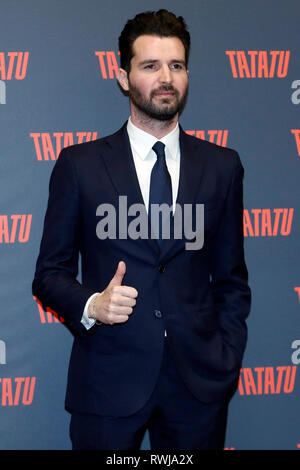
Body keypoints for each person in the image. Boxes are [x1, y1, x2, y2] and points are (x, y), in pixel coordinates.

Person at [32, 9, 251, 450]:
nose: (165, 77)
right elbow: (49, 274)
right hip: (108, 381)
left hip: (198, 388)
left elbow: (231, 280)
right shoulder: (80, 166)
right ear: (123, 76)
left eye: (176, 65)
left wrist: (225, 355)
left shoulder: (222, 167)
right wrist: (93, 304)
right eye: (150, 66)